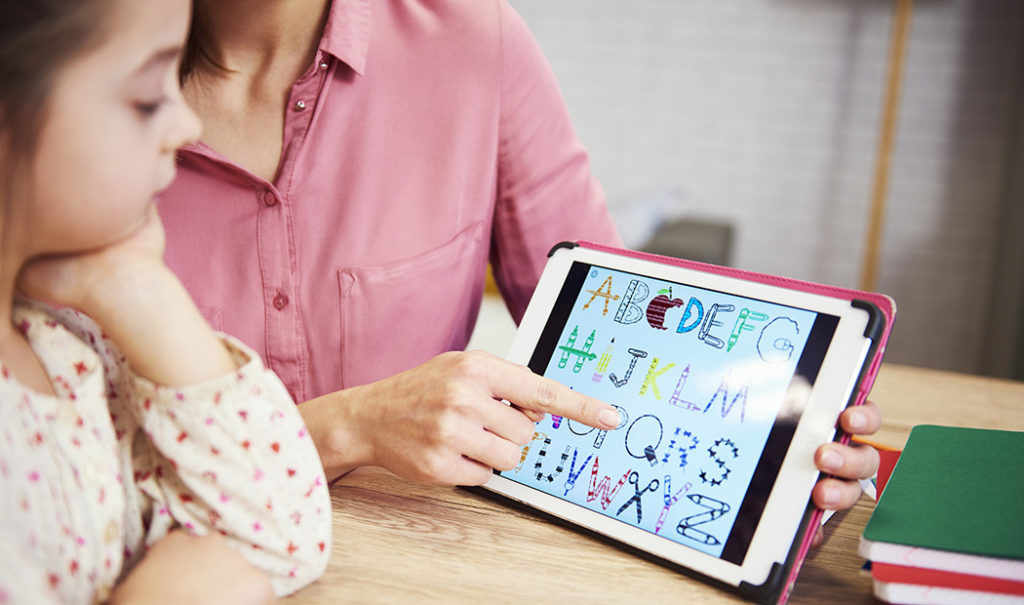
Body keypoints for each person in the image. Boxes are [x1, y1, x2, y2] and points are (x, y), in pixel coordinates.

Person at [161, 0, 881, 532]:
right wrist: (346, 425)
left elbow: (622, 342)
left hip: (419, 561)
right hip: (165, 549)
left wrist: (775, 439)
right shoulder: (74, 89)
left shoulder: (475, 43)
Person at [0, 0, 331, 602]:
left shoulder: (63, 347)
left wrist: (136, 289)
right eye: (150, 95)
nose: (188, 127)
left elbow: (278, 530)